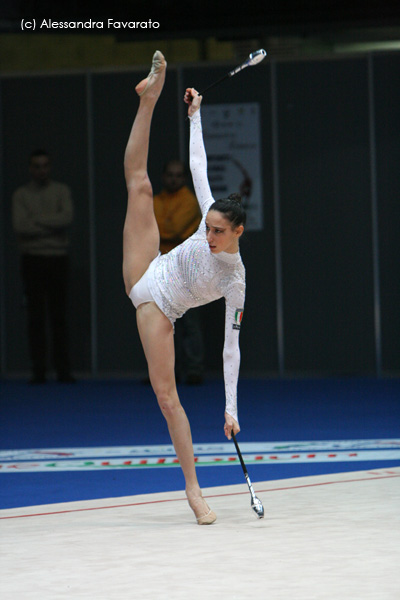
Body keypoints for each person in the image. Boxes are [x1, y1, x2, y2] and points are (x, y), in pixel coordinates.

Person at [123, 51, 246, 525]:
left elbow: (230, 349)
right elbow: (200, 166)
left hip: (160, 308)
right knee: (139, 185)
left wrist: (231, 409)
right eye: (208, 227)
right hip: (148, 268)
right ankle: (149, 98)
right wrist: (195, 116)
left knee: (167, 397)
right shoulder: (210, 213)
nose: (209, 235)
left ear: (238, 233)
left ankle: (193, 491)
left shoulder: (235, 281)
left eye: (218, 231)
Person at [12, 149, 75, 384]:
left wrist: (36, 221)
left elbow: (66, 218)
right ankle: (38, 371)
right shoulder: (20, 195)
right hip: (32, 260)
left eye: (45, 165)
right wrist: (51, 225)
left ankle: (63, 370)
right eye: (36, 166)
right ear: (31, 169)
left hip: (57, 259)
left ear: (50, 167)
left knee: (59, 316)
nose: (41, 170)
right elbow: (20, 227)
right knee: (35, 317)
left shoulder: (61, 191)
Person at [154, 160, 204, 384]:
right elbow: (148, 230)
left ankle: (194, 369)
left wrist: (160, 228)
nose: (173, 179)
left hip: (186, 268)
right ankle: (166, 373)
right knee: (161, 323)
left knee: (189, 323)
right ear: (163, 176)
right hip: (160, 267)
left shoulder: (190, 201)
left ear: (184, 178)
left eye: (178, 175)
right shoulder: (154, 201)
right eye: (169, 175)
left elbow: (173, 231)